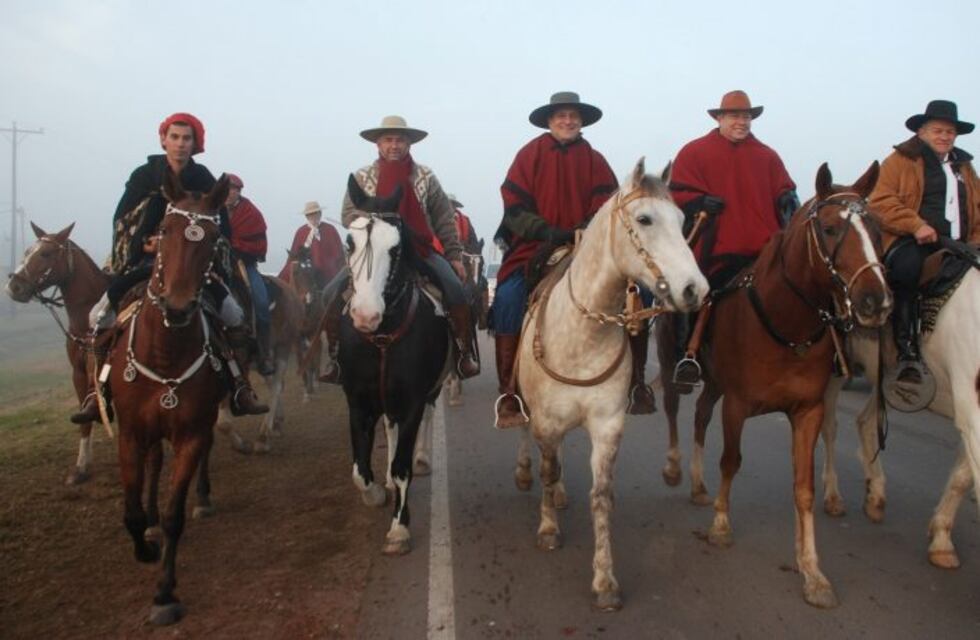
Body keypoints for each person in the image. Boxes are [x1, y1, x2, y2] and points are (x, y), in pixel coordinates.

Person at [71, 113, 267, 424]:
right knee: (101, 315)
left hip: (193, 266)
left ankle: (240, 385)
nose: (180, 144)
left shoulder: (204, 180)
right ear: (163, 139)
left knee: (232, 313)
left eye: (186, 138)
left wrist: (208, 256)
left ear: (195, 144)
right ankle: (99, 391)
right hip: (146, 262)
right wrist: (144, 245)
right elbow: (122, 220)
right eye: (174, 137)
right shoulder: (144, 177)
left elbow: (222, 228)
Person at [490, 91, 659, 428]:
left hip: (588, 248)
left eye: (573, 116)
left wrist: (586, 228)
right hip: (536, 247)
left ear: (581, 121)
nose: (567, 121)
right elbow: (514, 207)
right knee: (508, 298)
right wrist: (545, 230)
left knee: (640, 294)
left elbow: (608, 206)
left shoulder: (595, 160)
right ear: (550, 121)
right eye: (561, 116)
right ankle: (509, 390)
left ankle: (637, 381)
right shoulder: (529, 155)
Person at [317, 115, 480, 382]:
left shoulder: (425, 176)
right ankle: (334, 358)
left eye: (400, 140)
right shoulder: (362, 177)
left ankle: (463, 355)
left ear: (409, 144)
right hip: (374, 253)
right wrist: (374, 225)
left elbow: (442, 217)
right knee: (329, 294)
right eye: (388, 140)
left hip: (418, 249)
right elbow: (348, 213)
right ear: (378, 145)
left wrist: (453, 255)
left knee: (455, 290)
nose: (394, 145)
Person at [669, 90, 798, 390]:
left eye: (747, 116)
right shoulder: (694, 151)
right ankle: (687, 356)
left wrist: (789, 203)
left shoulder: (767, 155)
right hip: (716, 248)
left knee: (799, 291)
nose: (742, 122)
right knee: (693, 294)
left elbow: (785, 192)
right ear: (719, 118)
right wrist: (699, 201)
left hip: (764, 249)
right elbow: (675, 192)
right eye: (735, 116)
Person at [869, 99, 980, 384]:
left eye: (949, 132)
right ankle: (906, 351)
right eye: (938, 131)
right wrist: (916, 225)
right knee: (906, 271)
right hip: (912, 241)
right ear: (922, 132)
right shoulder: (899, 161)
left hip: (960, 244)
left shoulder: (965, 167)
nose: (944, 137)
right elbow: (880, 201)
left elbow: (977, 208)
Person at [225, 173, 275, 375]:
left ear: (239, 192)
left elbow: (259, 244)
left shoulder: (250, 213)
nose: (231, 193)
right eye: (228, 189)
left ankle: (264, 354)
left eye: (235, 189)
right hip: (216, 263)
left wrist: (237, 247)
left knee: (261, 303)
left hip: (244, 264)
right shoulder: (212, 209)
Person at [278, 200, 345, 287]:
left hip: (329, 272)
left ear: (320, 214)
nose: (313, 217)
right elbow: (294, 254)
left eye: (315, 213)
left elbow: (338, 253)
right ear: (306, 216)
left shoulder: (330, 230)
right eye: (310, 214)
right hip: (306, 273)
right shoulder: (301, 232)